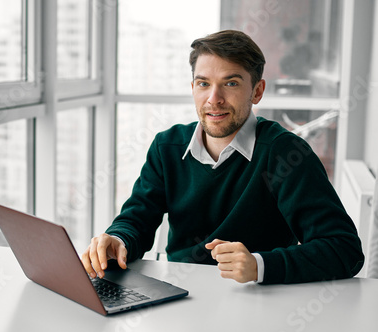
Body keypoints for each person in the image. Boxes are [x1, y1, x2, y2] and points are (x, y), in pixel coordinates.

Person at [81, 30, 364, 284]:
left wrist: (260, 266)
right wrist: (117, 240)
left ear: (257, 91)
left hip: (255, 303)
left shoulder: (286, 153)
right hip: (177, 295)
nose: (213, 98)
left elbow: (344, 249)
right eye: (203, 84)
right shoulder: (166, 146)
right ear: (192, 88)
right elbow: (136, 221)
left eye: (230, 84)